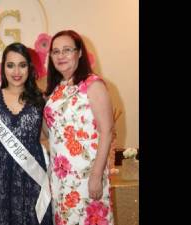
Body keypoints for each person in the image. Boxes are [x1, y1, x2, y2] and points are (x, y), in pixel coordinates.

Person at [43, 30, 115, 224]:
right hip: (61, 177)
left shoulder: (93, 84)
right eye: (56, 51)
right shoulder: (55, 90)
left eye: (67, 50)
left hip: (87, 175)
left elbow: (107, 131)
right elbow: (50, 133)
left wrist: (97, 175)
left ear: (79, 53)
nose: (61, 56)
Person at [0, 42, 53, 225]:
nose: (16, 71)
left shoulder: (40, 99)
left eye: (22, 65)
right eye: (10, 65)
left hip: (31, 172)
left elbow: (50, 135)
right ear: (3, 68)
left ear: (30, 68)